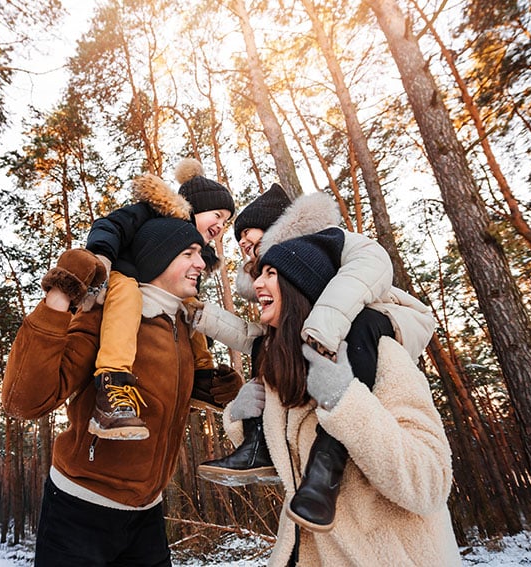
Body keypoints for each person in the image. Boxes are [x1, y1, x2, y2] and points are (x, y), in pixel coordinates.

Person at [2, 217, 242, 567]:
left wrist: (207, 389)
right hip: (81, 509)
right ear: (158, 257)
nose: (201, 263)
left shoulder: (184, 326)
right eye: (188, 253)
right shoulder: (106, 316)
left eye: (200, 254)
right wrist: (59, 295)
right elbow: (25, 400)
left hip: (147, 513)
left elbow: (156, 409)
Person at [193, 188, 436, 531]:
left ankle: (328, 463)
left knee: (357, 329)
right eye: (241, 244)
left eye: (248, 235)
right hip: (316, 333)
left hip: (376, 319)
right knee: (268, 343)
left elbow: (371, 265)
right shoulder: (291, 351)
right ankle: (256, 442)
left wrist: (324, 329)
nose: (243, 244)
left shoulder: (333, 244)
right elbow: (256, 336)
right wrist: (243, 416)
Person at [227, 232, 461, 565]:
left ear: (301, 286)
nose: (257, 285)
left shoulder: (383, 356)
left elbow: (431, 483)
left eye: (271, 274)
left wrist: (346, 402)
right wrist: (241, 415)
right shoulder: (285, 373)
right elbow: (284, 462)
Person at [84, 159, 236, 440]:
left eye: (226, 222)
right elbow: (111, 225)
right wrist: (101, 257)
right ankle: (112, 383)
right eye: (217, 215)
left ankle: (202, 377)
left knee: (194, 307)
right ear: (196, 206)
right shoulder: (154, 212)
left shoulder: (197, 258)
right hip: (126, 276)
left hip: (164, 297)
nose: (221, 225)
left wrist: (202, 346)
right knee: (127, 295)